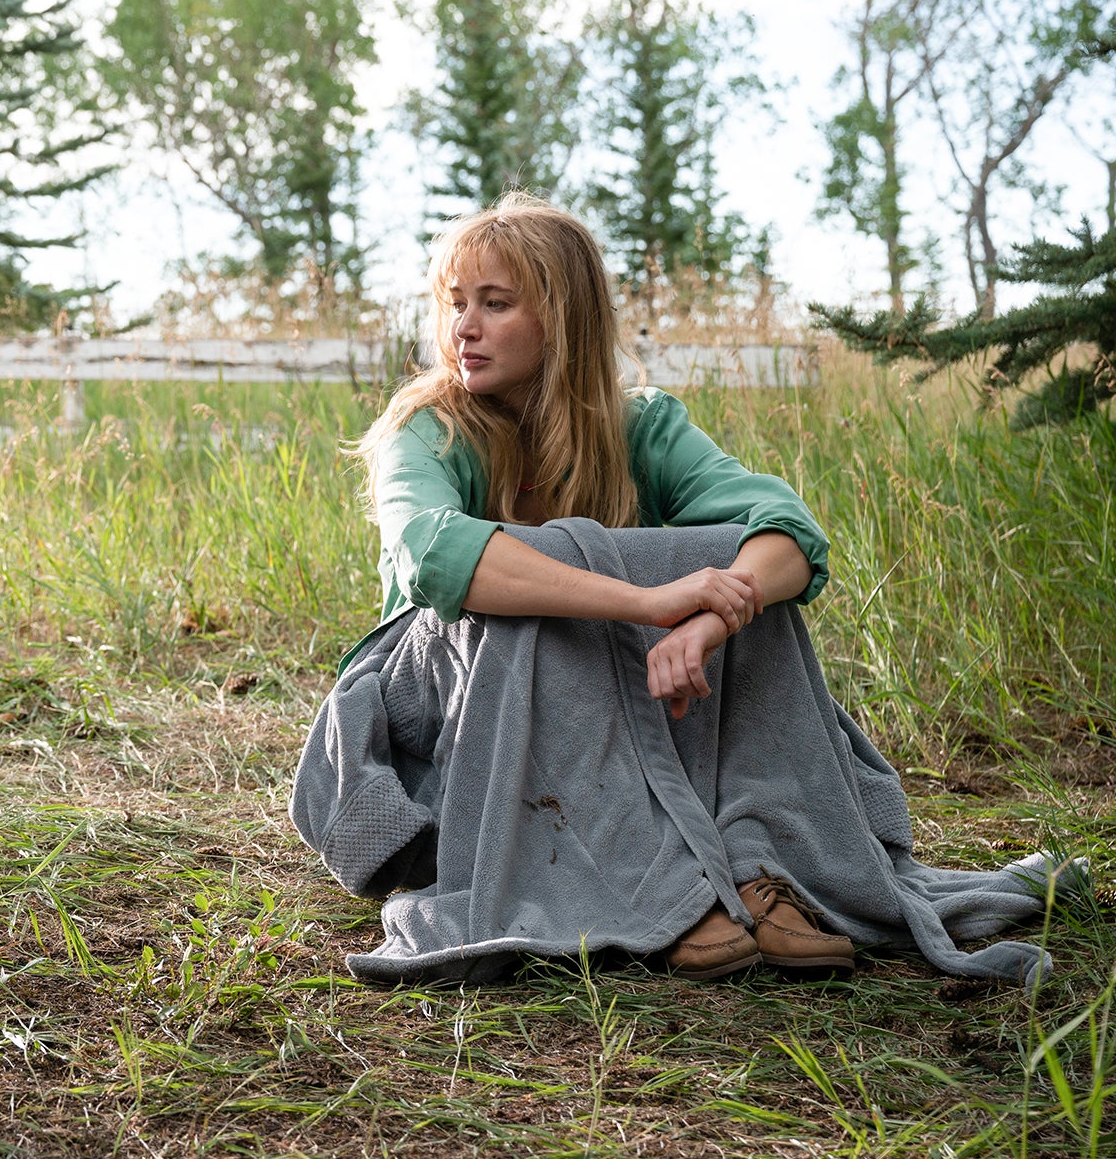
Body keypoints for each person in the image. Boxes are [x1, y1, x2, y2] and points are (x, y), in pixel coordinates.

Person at [290, 194, 1071, 985]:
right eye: (455, 304)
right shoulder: (427, 427)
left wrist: (706, 621)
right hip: (448, 700)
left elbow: (786, 532)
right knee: (539, 582)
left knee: (734, 562)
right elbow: (434, 554)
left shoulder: (640, 426)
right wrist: (646, 602)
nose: (463, 327)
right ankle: (665, 888)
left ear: (562, 319)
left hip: (633, 691)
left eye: (495, 304)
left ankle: (761, 857)